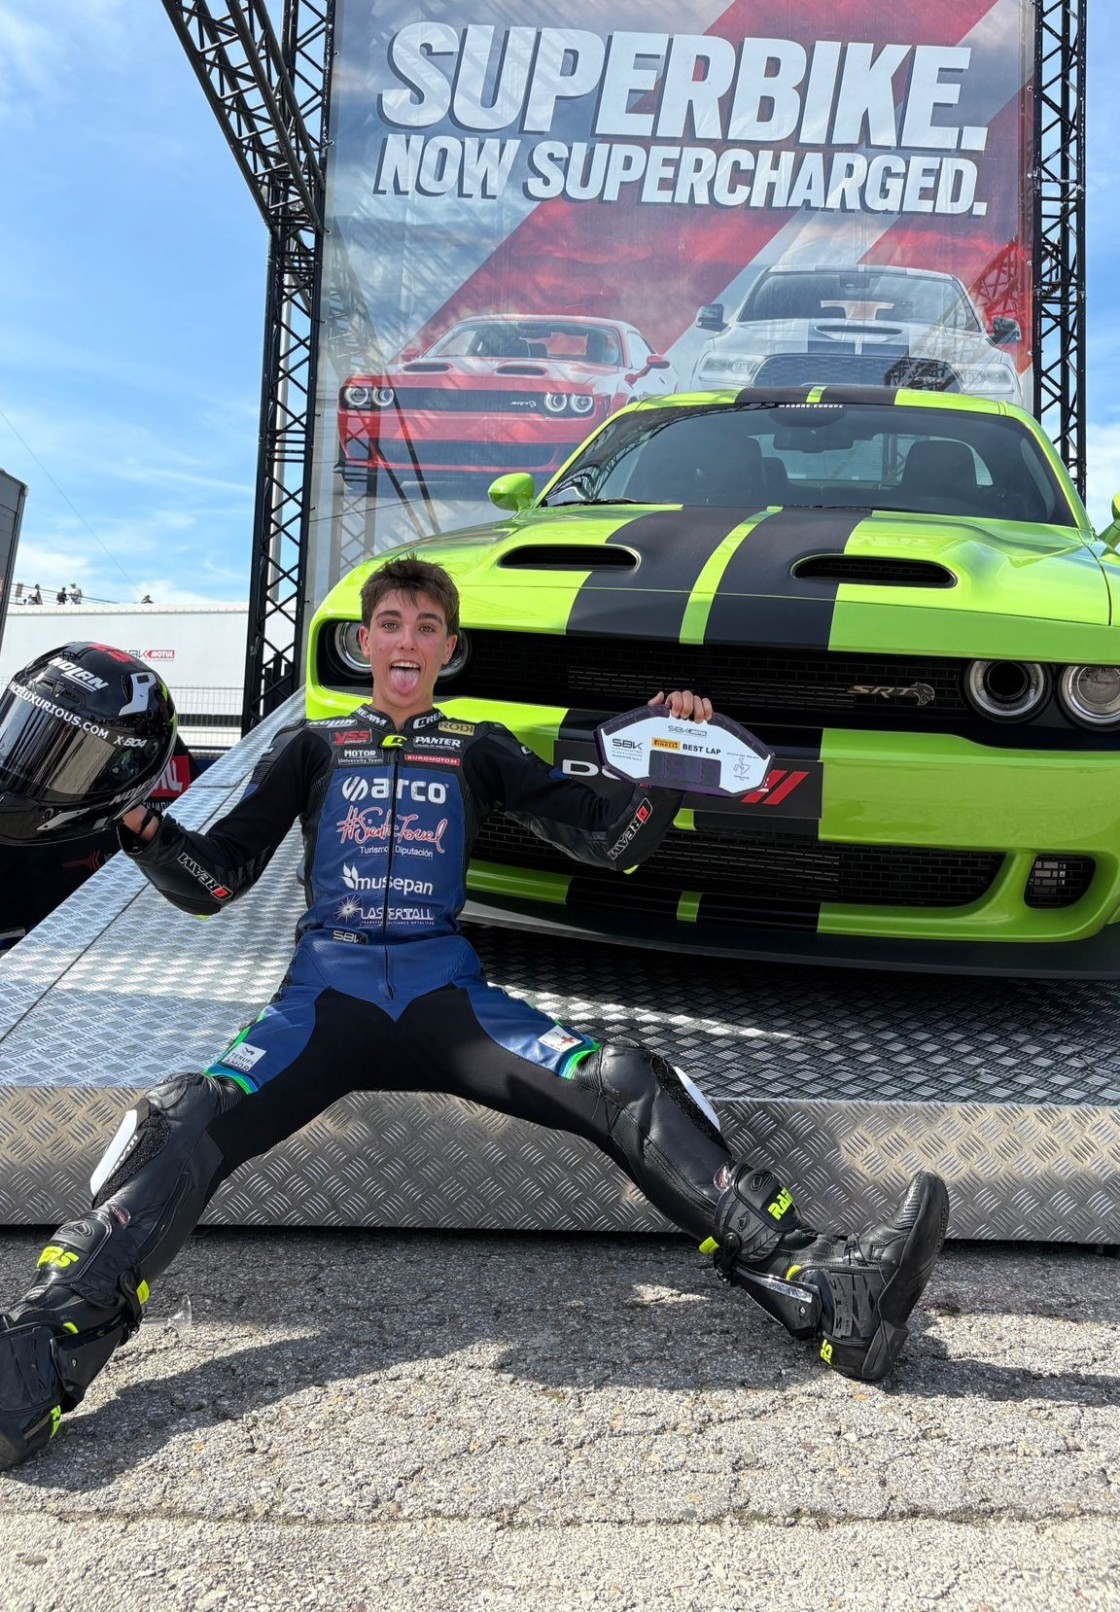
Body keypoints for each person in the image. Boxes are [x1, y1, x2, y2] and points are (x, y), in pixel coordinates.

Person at [0, 556, 948, 1468]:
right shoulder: (311, 747)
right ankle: (35, 1359)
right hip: (320, 1004)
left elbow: (610, 840)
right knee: (183, 1115)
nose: (406, 639)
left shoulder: (481, 747)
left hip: (449, 998)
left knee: (624, 1080)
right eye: (389, 624)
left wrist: (667, 755)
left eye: (426, 626)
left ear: (448, 649)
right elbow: (216, 882)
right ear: (363, 644)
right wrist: (141, 825)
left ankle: (828, 1293)